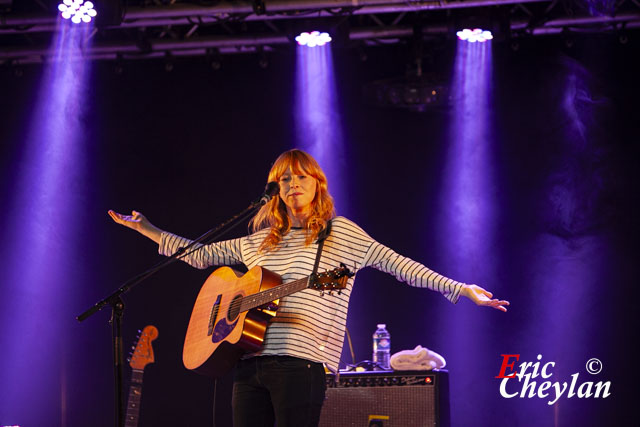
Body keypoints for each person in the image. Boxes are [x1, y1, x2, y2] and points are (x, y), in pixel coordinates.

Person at [108, 149, 509, 427]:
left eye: (300, 176)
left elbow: (399, 265)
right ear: (275, 191)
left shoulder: (341, 234)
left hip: (301, 363)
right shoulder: (259, 240)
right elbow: (198, 255)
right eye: (283, 180)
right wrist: (147, 228)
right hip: (248, 363)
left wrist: (460, 288)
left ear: (318, 184)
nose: (291, 184)